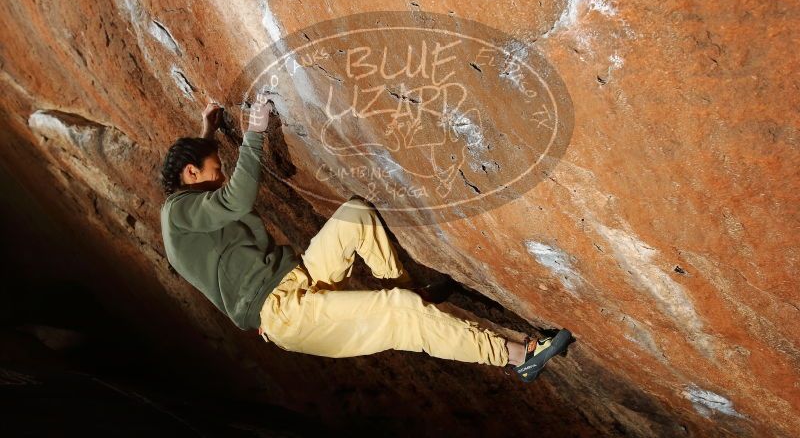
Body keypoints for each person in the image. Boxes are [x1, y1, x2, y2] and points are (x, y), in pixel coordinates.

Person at [159, 99, 572, 383]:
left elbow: (202, 174)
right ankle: (517, 358)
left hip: (296, 277)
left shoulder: (186, 207)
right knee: (400, 314)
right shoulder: (177, 213)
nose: (221, 175)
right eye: (215, 169)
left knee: (355, 214)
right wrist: (254, 132)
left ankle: (409, 290)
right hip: (284, 314)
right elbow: (235, 197)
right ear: (191, 175)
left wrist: (208, 129)